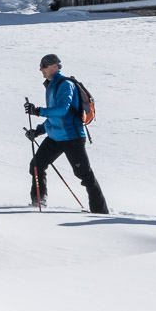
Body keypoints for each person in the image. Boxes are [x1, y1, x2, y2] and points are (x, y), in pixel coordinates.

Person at [23, 53, 108, 213]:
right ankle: (38, 203)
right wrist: (38, 131)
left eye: (44, 66)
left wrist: (38, 111)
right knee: (36, 165)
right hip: (55, 137)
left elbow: (62, 110)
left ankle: (100, 211)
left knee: (84, 175)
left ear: (55, 66)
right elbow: (54, 117)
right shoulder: (50, 86)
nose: (41, 69)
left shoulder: (65, 84)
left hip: (72, 138)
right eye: (41, 66)